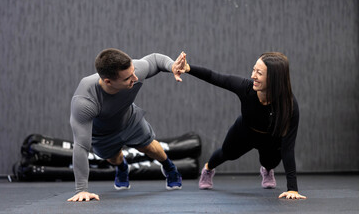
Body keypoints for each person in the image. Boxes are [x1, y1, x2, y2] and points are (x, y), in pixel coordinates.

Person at [67, 48, 186, 202]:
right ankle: (122, 167)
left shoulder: (134, 71)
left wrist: (172, 66)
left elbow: (155, 60)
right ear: (108, 81)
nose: (135, 78)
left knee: (149, 147)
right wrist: (81, 190)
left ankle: (169, 167)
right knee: (114, 158)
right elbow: (81, 146)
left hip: (129, 119)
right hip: (103, 135)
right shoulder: (84, 100)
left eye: (133, 72)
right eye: (128, 78)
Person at [183, 52, 306, 200]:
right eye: (253, 70)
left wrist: (292, 189)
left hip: (270, 138)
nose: (253, 75)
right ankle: (208, 169)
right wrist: (188, 68)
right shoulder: (246, 88)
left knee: (270, 162)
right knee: (226, 153)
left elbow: (288, 147)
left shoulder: (289, 106)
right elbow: (214, 76)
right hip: (245, 131)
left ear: (274, 79)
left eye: (259, 73)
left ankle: (266, 170)